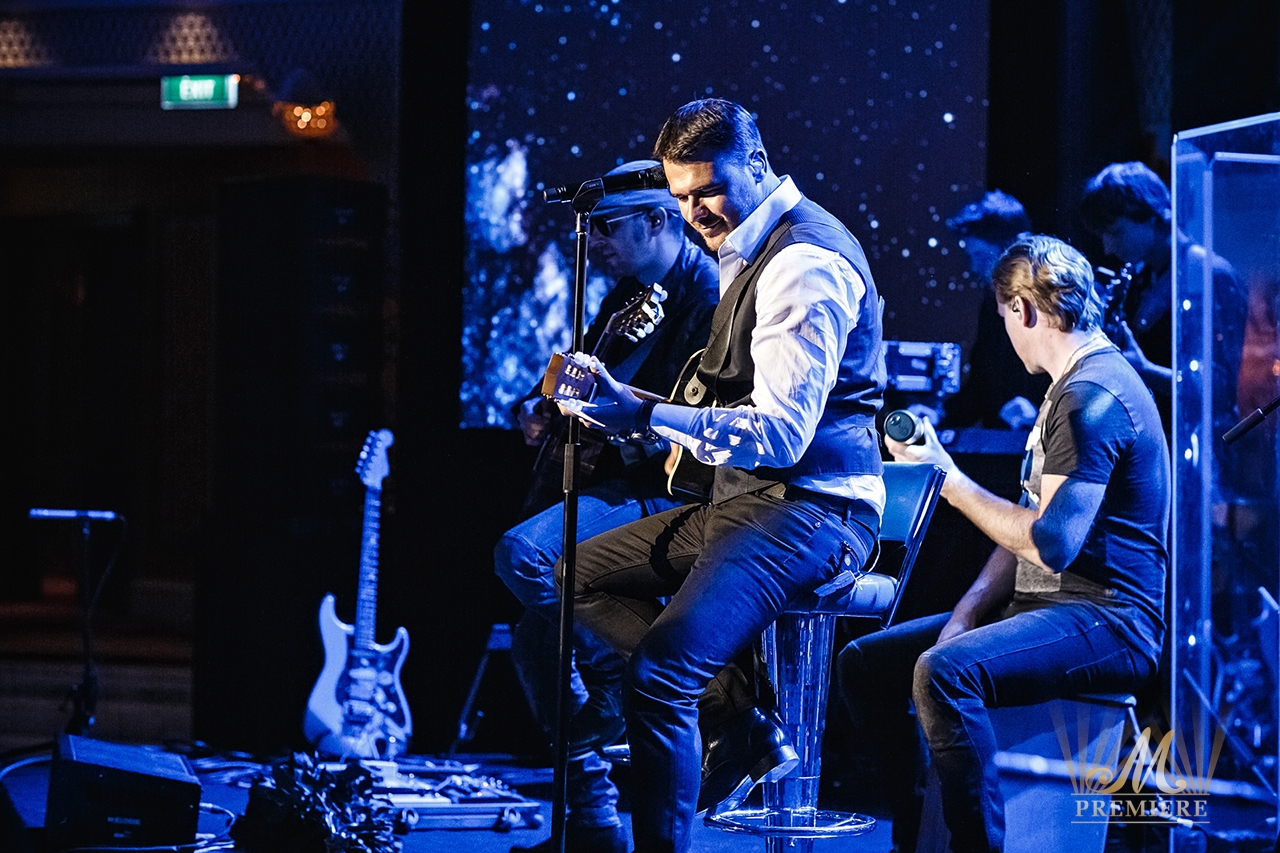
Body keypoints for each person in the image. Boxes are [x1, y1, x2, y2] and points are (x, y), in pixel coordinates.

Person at [554, 98, 886, 853]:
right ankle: (738, 720)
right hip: (750, 501)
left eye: (708, 189)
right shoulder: (747, 246)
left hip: (813, 509)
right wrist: (625, 413)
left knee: (660, 674)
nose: (693, 211)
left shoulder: (803, 260)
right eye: (680, 196)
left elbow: (780, 434)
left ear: (758, 165)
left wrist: (648, 415)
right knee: (572, 574)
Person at [837, 234, 1170, 852]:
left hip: (1110, 619)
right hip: (1048, 606)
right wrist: (965, 613)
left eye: (1004, 319)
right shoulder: (1069, 386)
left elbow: (1049, 544)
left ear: (1021, 308)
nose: (1007, 333)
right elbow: (1026, 521)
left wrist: (950, 480)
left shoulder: (1093, 396)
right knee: (867, 665)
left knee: (943, 674)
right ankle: (914, 831)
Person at [494, 159, 719, 853]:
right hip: (615, 479)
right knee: (537, 639)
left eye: (608, 229)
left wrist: (618, 422)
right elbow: (585, 380)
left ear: (658, 220)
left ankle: (626, 676)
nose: (593, 244)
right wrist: (543, 407)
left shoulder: (708, 297)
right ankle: (592, 819)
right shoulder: (629, 293)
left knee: (524, 555)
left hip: (673, 489)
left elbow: (699, 427)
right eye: (590, 229)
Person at [1079, 160, 1244, 433]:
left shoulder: (1210, 275)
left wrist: (1146, 370)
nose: (1108, 248)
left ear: (1151, 216)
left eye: (1116, 233)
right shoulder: (1142, 276)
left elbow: (1222, 390)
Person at [941, 190, 1049, 430]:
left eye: (980, 256)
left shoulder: (1053, 306)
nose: (974, 267)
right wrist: (938, 416)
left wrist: (1042, 414)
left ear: (1015, 250)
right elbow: (981, 388)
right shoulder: (992, 306)